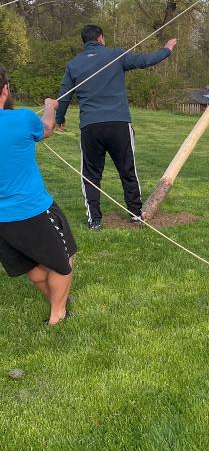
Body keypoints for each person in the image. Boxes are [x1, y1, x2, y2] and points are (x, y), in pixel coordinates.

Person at [56, 24, 177, 229]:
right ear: (101, 38)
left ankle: (94, 220)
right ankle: (135, 213)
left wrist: (59, 118)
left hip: (90, 127)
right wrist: (166, 50)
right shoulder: (116, 54)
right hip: (119, 124)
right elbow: (144, 61)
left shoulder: (73, 64)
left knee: (91, 175)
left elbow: (65, 95)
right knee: (127, 169)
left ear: (84, 42)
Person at [0, 65, 77, 325]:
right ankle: (58, 316)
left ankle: (59, 304)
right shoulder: (22, 119)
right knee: (63, 263)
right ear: (5, 89)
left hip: (2, 222)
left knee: (32, 269)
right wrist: (50, 106)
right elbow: (47, 127)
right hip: (33, 210)